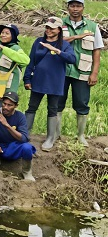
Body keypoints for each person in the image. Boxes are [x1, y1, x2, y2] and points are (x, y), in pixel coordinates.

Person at [24, 16, 76, 152]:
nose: (48, 30)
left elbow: (72, 59)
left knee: (52, 109)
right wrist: (27, 79)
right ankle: (25, 134)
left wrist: (57, 51)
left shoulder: (64, 45)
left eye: (52, 28)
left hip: (55, 82)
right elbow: (31, 61)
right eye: (47, 27)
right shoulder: (38, 42)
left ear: (59, 30)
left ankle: (50, 138)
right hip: (38, 80)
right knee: (32, 107)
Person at [60, 0, 103, 146]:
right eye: (72, 6)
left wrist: (94, 73)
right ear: (67, 7)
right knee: (57, 102)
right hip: (61, 71)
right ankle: (55, 135)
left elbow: (96, 50)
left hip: (83, 71)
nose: (75, 9)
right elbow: (52, 41)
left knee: (82, 103)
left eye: (78, 6)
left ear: (83, 7)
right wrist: (76, 37)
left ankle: (80, 136)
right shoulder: (60, 24)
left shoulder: (92, 26)